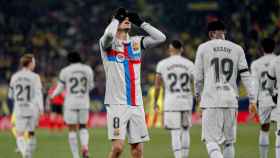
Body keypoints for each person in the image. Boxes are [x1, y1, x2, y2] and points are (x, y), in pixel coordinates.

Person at [99, 7, 166, 158]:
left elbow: (161, 38)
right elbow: (109, 34)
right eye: (123, 19)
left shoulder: (136, 42)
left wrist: (141, 23)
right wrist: (116, 19)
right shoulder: (107, 44)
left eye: (128, 19)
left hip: (137, 104)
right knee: (117, 148)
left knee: (138, 150)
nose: (127, 20)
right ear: (115, 23)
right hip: (117, 104)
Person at [194, 20, 257, 158]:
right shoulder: (237, 48)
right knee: (229, 143)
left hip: (211, 99)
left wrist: (197, 94)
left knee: (211, 141)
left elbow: (198, 76)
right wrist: (253, 99)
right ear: (224, 32)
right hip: (231, 99)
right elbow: (246, 75)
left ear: (210, 33)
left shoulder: (203, 48)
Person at [154, 40, 194, 158]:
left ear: (170, 50)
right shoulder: (190, 64)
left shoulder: (162, 64)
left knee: (175, 131)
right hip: (186, 100)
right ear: (181, 49)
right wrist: (199, 99)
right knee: (186, 130)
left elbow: (157, 86)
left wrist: (156, 101)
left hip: (171, 102)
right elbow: (197, 82)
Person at [50, 52, 94, 158]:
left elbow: (60, 88)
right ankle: (85, 147)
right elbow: (91, 86)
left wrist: (52, 95)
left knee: (72, 129)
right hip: (84, 102)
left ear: (69, 60)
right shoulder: (88, 69)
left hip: (70, 103)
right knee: (83, 126)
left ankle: (75, 156)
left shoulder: (65, 71)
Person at [8, 54, 44, 158]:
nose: (35, 64)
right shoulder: (35, 77)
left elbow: (11, 95)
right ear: (30, 63)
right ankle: (28, 154)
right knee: (31, 134)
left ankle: (25, 154)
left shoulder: (14, 76)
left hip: (19, 109)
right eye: (34, 62)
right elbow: (38, 94)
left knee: (20, 134)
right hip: (32, 109)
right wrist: (41, 108)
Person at [251, 38, 278, 158]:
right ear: (275, 47)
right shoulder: (277, 61)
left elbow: (255, 84)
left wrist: (253, 101)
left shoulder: (256, 64)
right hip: (278, 98)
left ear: (261, 48)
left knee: (264, 129)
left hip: (264, 98)